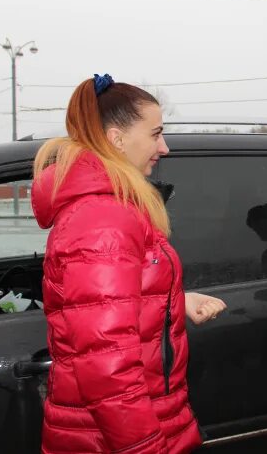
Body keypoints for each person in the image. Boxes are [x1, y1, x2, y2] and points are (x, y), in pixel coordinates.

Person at [31, 74, 226, 454]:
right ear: (117, 139)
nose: (164, 147)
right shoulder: (104, 219)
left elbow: (109, 307)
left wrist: (176, 301)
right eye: (155, 134)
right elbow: (107, 370)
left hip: (130, 425)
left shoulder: (113, 209)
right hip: (120, 438)